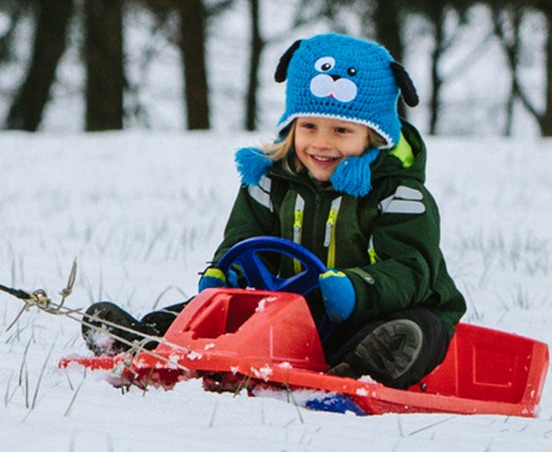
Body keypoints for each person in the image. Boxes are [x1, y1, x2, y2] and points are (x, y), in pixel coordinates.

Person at [81, 32, 466, 388]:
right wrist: (226, 272)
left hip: (372, 312)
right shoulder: (270, 180)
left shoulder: (399, 194)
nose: (322, 143)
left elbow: (410, 269)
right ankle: (146, 339)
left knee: (418, 329)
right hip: (289, 311)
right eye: (309, 127)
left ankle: (363, 368)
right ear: (292, 127)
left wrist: (355, 289)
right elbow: (246, 238)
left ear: (374, 137)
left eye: (342, 131)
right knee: (209, 310)